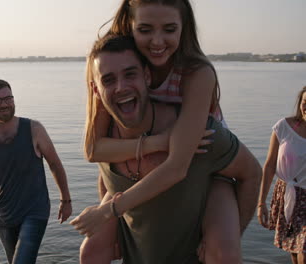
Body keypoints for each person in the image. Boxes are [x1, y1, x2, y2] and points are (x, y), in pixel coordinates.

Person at [70, 34, 261, 264]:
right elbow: (108, 179)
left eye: (130, 74)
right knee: (89, 252)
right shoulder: (105, 142)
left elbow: (252, 173)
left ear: (147, 76)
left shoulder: (199, 135)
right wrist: (114, 226)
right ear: (96, 90)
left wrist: (233, 235)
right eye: (108, 80)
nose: (121, 87)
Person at [0, 79, 72, 264]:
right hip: (5, 216)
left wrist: (65, 199)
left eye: (8, 98)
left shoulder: (34, 129)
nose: (4, 104)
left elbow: (55, 164)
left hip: (35, 211)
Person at [258, 86, 306, 264]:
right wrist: (261, 203)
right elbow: (270, 166)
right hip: (287, 193)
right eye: (304, 103)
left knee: (304, 248)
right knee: (293, 248)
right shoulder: (284, 127)